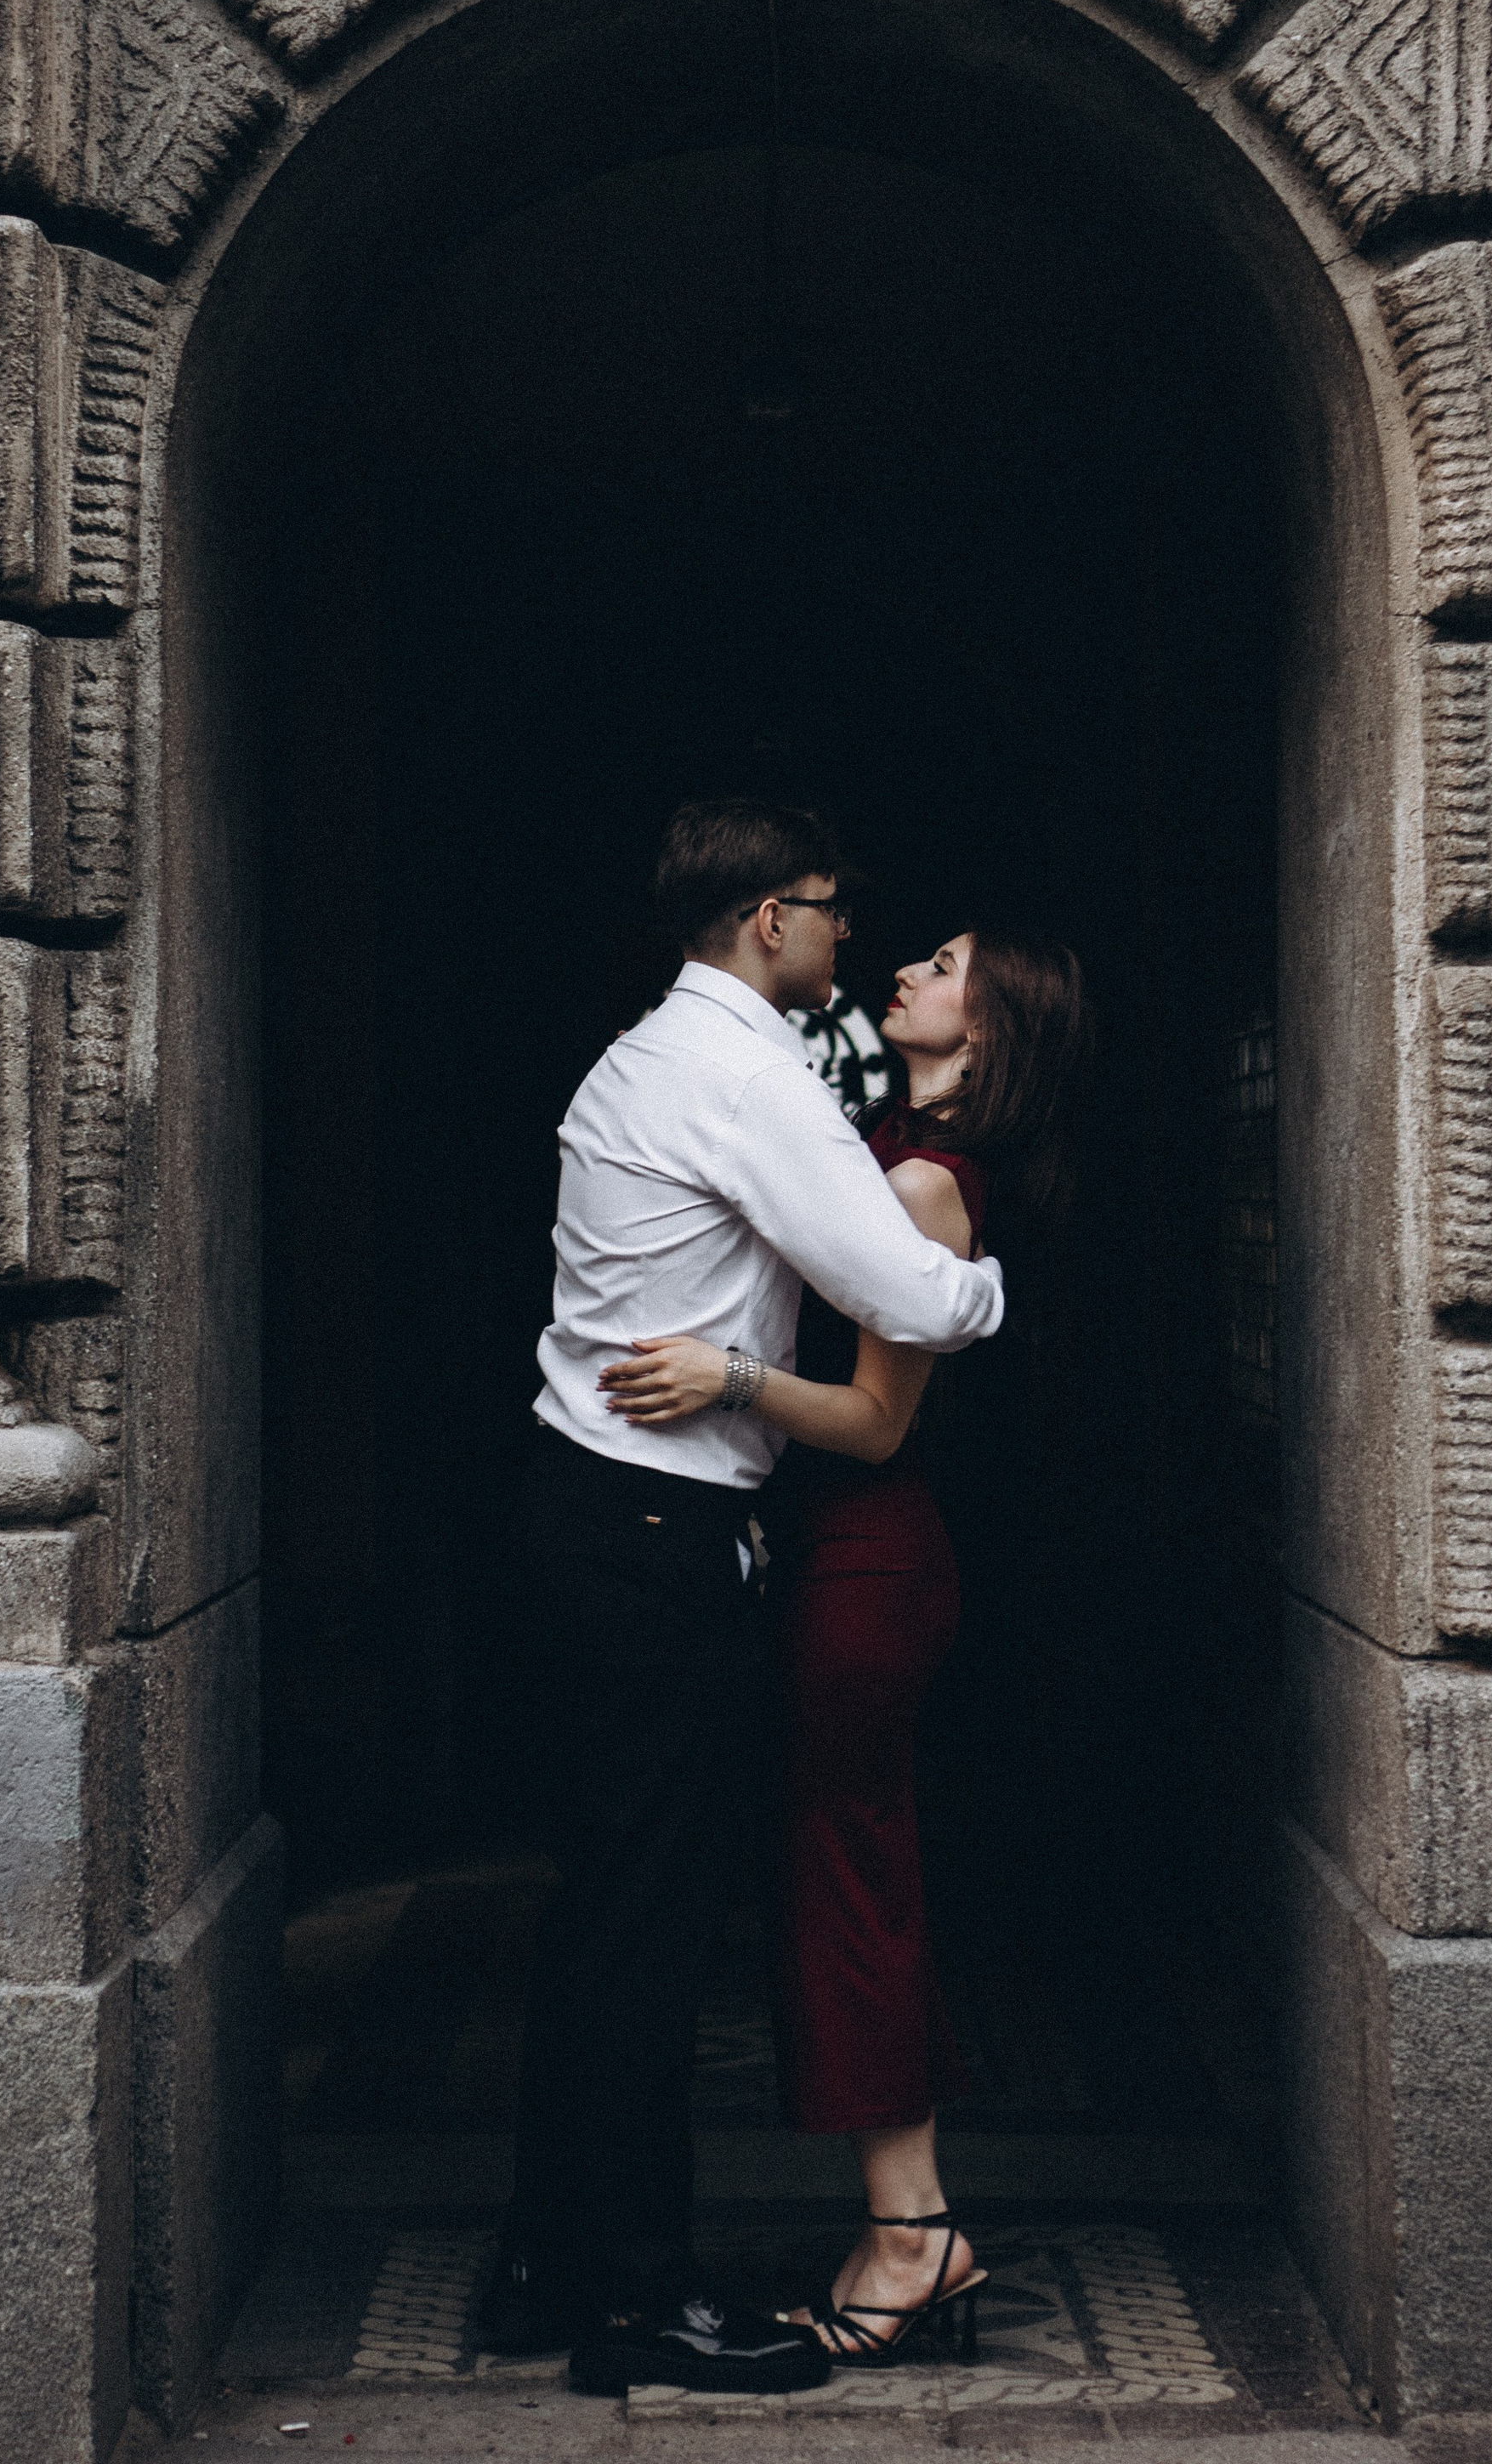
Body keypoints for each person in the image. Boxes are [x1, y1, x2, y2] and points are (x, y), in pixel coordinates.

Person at [486, 799, 1009, 2400]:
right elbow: (918, 1295)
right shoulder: (743, 1076)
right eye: (834, 910)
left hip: (592, 1512)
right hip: (656, 1528)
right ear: (766, 921)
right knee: (648, 1928)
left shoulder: (653, 1055)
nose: (853, 936)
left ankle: (547, 2259)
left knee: (603, 1904)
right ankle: (639, 2299)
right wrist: (991, 1280)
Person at [602, 924, 1090, 2367]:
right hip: (835, 1558)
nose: (910, 972)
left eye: (944, 968)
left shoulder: (931, 1186)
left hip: (869, 1567)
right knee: (840, 1876)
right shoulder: (883, 1138)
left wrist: (729, 1376)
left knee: (852, 1883)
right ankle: (909, 2222)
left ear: (986, 1033)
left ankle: (913, 2232)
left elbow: (878, 1421)